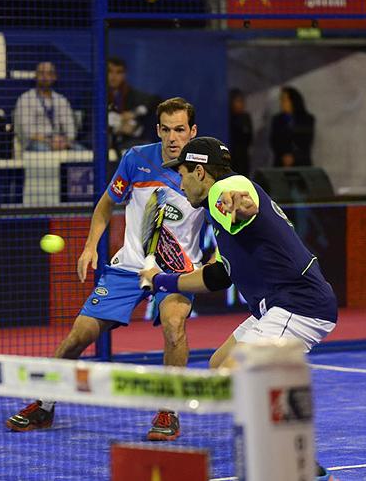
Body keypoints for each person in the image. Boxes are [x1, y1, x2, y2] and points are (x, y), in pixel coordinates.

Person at [6, 97, 205, 442]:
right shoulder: (135, 159)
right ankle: (45, 404)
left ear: (192, 131)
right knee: (78, 335)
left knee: (174, 326)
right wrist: (88, 247)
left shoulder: (206, 170)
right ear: (157, 130)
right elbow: (105, 205)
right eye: (167, 130)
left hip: (177, 270)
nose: (173, 138)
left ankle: (168, 411)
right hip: (129, 267)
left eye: (180, 130)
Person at [139, 137, 337, 479]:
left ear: (200, 172)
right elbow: (218, 276)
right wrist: (161, 281)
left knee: (236, 376)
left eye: (183, 173)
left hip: (299, 304)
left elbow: (241, 197)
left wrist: (238, 203)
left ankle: (304, 467)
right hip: (274, 306)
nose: (180, 181)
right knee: (219, 368)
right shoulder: (222, 220)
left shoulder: (224, 191)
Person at [13, 61, 78, 151]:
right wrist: (49, 141)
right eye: (41, 73)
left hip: (59, 141)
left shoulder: (61, 100)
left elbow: (71, 131)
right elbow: (27, 132)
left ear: (55, 77)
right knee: (44, 151)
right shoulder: (25, 99)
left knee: (80, 150)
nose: (45, 77)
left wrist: (63, 141)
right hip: (35, 143)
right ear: (35, 76)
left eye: (49, 73)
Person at [107, 57, 160, 155]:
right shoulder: (96, 95)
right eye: (110, 71)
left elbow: (155, 101)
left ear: (124, 75)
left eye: (118, 72)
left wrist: (133, 114)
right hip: (102, 141)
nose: (113, 76)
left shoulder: (131, 94)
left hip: (127, 141)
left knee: (147, 148)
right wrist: (116, 127)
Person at [269, 86, 315, 168]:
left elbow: (306, 141)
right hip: (281, 164)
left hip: (302, 164)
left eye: (285, 100)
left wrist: (294, 157)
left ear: (293, 101)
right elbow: (274, 141)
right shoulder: (277, 120)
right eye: (281, 100)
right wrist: (284, 156)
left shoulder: (307, 119)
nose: (282, 103)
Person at [228, 88, 253, 176]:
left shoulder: (246, 118)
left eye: (242, 101)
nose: (241, 104)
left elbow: (249, 138)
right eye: (238, 101)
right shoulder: (226, 119)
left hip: (243, 158)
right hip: (231, 158)